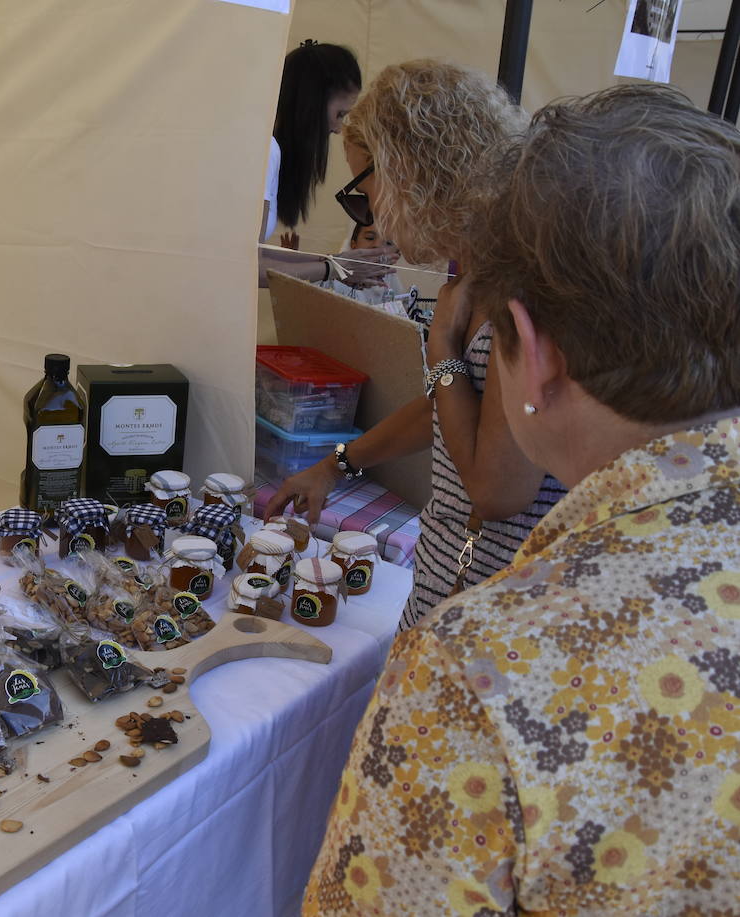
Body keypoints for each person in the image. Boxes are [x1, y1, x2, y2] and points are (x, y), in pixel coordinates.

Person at [304, 83, 740, 916]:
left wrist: (439, 352)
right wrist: (349, 454)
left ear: (532, 355)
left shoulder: (474, 671)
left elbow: (493, 486)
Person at [266, 60, 565, 628]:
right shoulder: (478, 266)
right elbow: (455, 408)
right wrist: (334, 466)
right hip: (454, 580)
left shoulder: (516, 280)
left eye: (362, 186)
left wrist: (443, 352)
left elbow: (498, 490)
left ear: (412, 168)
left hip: (496, 605)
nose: (369, 209)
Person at [258, 40, 394, 289]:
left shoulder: (267, 148)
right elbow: (247, 265)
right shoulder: (266, 150)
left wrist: (337, 263)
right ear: (311, 104)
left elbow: (256, 255)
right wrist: (334, 268)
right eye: (340, 114)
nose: (338, 128)